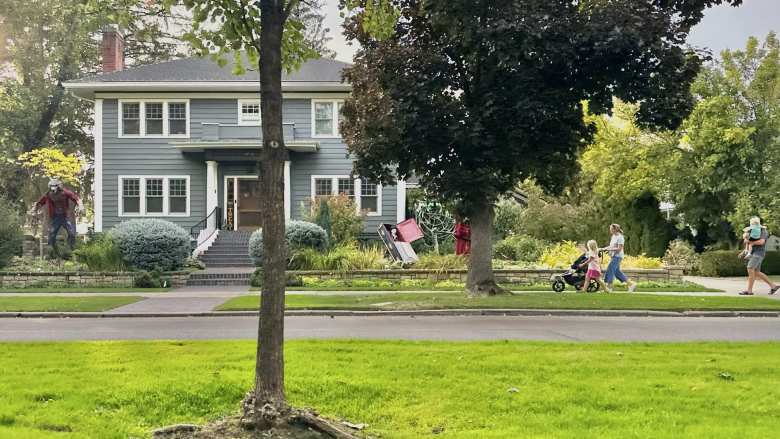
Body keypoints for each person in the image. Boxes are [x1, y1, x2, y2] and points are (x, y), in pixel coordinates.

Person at [35, 179, 83, 250]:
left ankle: (71, 248)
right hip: (55, 217)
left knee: (71, 233)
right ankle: (51, 249)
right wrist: (34, 209)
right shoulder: (48, 194)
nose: (53, 188)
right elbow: (40, 202)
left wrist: (80, 205)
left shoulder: (65, 192)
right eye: (51, 186)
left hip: (64, 217)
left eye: (54, 186)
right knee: (52, 233)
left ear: (58, 186)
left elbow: (75, 198)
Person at [739, 217, 779, 296]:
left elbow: (761, 242)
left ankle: (749, 291)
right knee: (756, 272)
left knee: (750, 268)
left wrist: (749, 241)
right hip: (753, 253)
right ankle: (773, 286)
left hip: (758, 253)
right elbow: (747, 241)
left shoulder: (763, 231)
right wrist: (744, 251)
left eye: (754, 223)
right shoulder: (751, 230)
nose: (753, 225)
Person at [600, 224, 637, 293]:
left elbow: (619, 249)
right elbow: (611, 246)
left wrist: (609, 250)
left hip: (618, 256)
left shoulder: (620, 237)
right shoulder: (613, 236)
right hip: (613, 256)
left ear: (615, 229)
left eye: (611, 229)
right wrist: (604, 248)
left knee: (610, 269)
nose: (610, 230)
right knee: (617, 272)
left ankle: (609, 288)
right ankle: (631, 284)